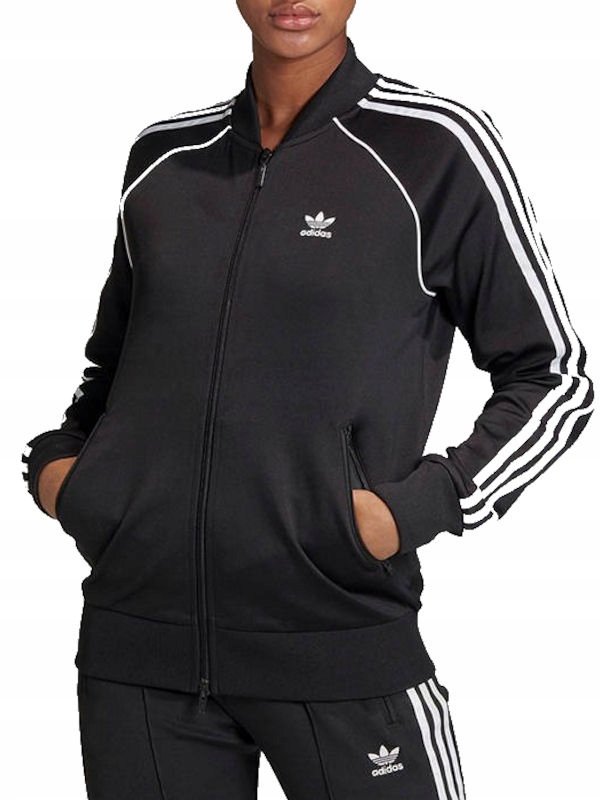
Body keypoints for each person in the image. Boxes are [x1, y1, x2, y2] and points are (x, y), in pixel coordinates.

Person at [21, 1, 594, 798]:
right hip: (138, 653)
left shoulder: (435, 146)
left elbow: (554, 373)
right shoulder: (164, 156)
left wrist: (416, 507)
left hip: (339, 637)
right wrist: (67, 475)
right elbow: (115, 365)